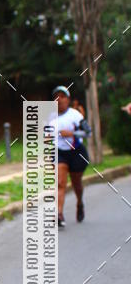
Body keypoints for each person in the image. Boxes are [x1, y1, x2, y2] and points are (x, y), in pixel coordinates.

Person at [53, 85, 91, 227]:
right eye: (57, 97)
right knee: (60, 182)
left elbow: (88, 132)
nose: (59, 99)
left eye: (62, 96)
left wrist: (72, 134)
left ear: (67, 99)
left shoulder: (75, 115)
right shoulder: (50, 118)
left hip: (76, 152)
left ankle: (80, 203)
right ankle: (59, 214)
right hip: (60, 152)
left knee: (76, 183)